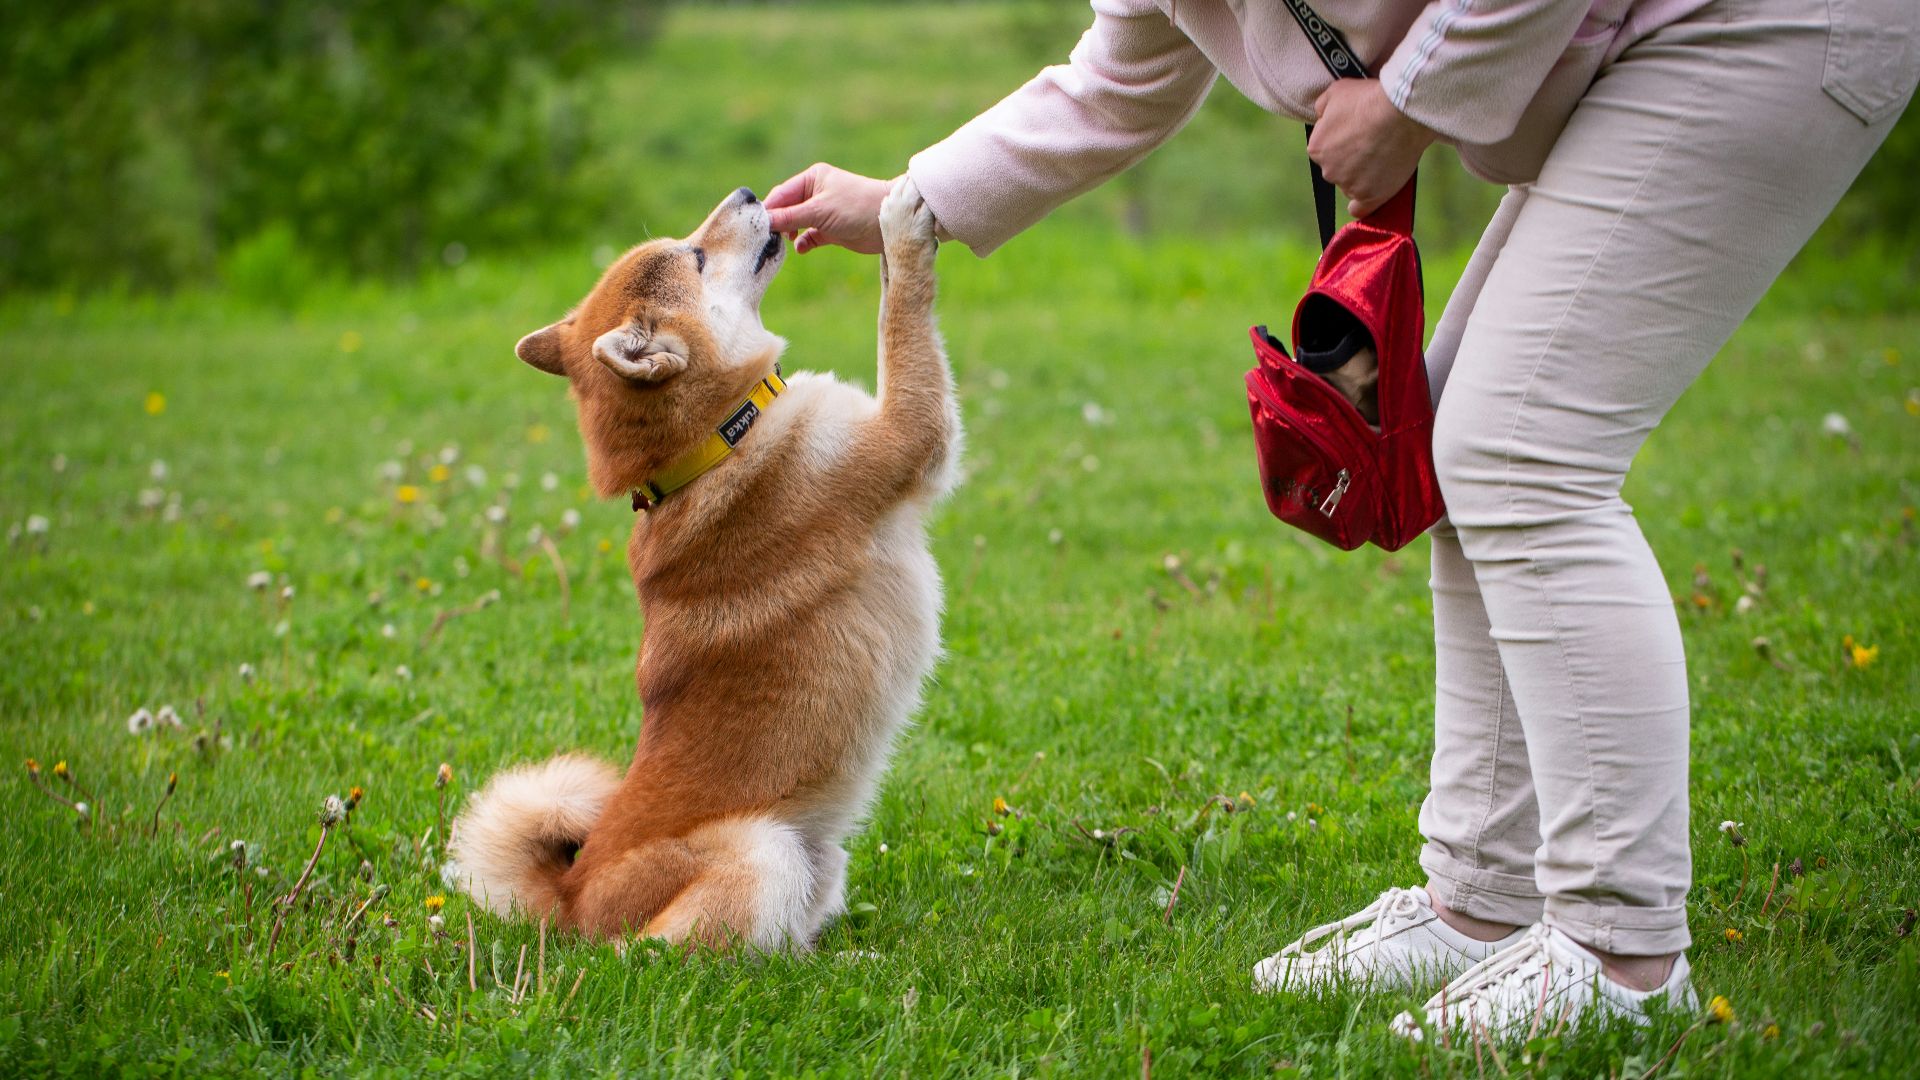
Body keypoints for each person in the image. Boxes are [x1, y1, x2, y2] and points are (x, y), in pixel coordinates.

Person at [764, 0, 1917, 1038]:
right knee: (1469, 444)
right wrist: (906, 202)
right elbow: (1118, 78)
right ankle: (1481, 901)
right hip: (1644, 47)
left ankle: (1620, 954)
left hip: (1754, 28)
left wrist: (1407, 105)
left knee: (1522, 454)